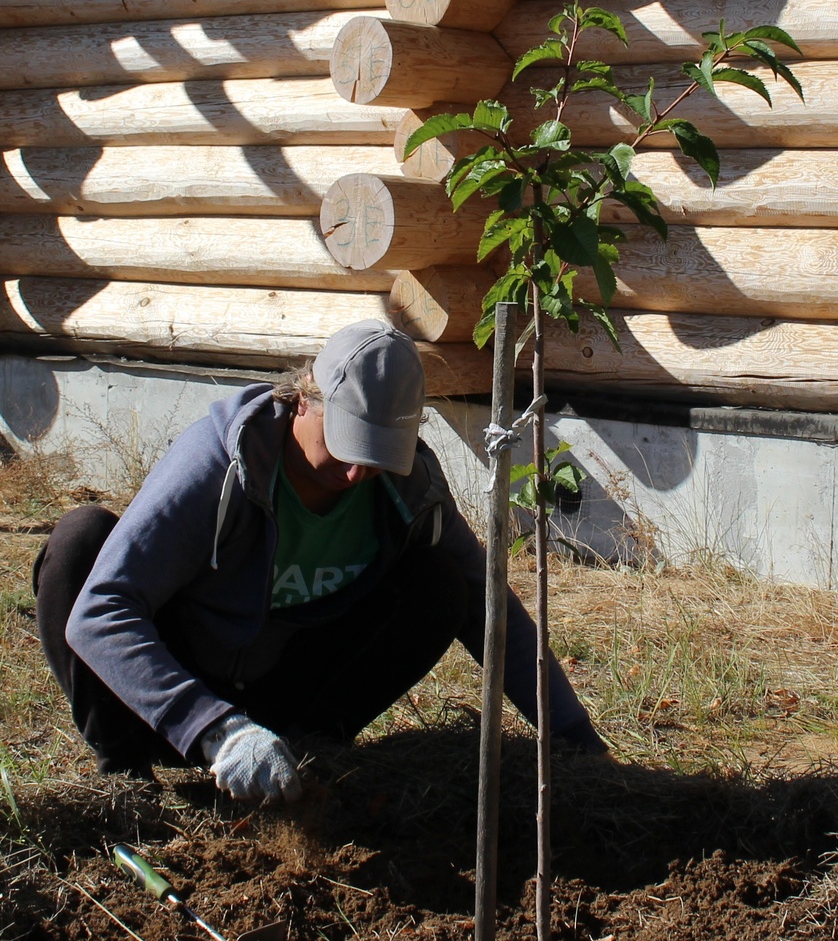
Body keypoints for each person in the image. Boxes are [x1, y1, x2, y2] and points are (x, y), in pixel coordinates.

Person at [33, 320, 608, 803]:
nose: (357, 473)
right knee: (81, 542)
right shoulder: (220, 465)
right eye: (346, 444)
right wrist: (216, 728)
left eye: (377, 455)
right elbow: (100, 613)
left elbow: (491, 607)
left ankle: (306, 755)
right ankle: (125, 773)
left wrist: (575, 737)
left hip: (281, 693)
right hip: (166, 692)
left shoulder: (408, 490)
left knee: (442, 580)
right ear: (303, 399)